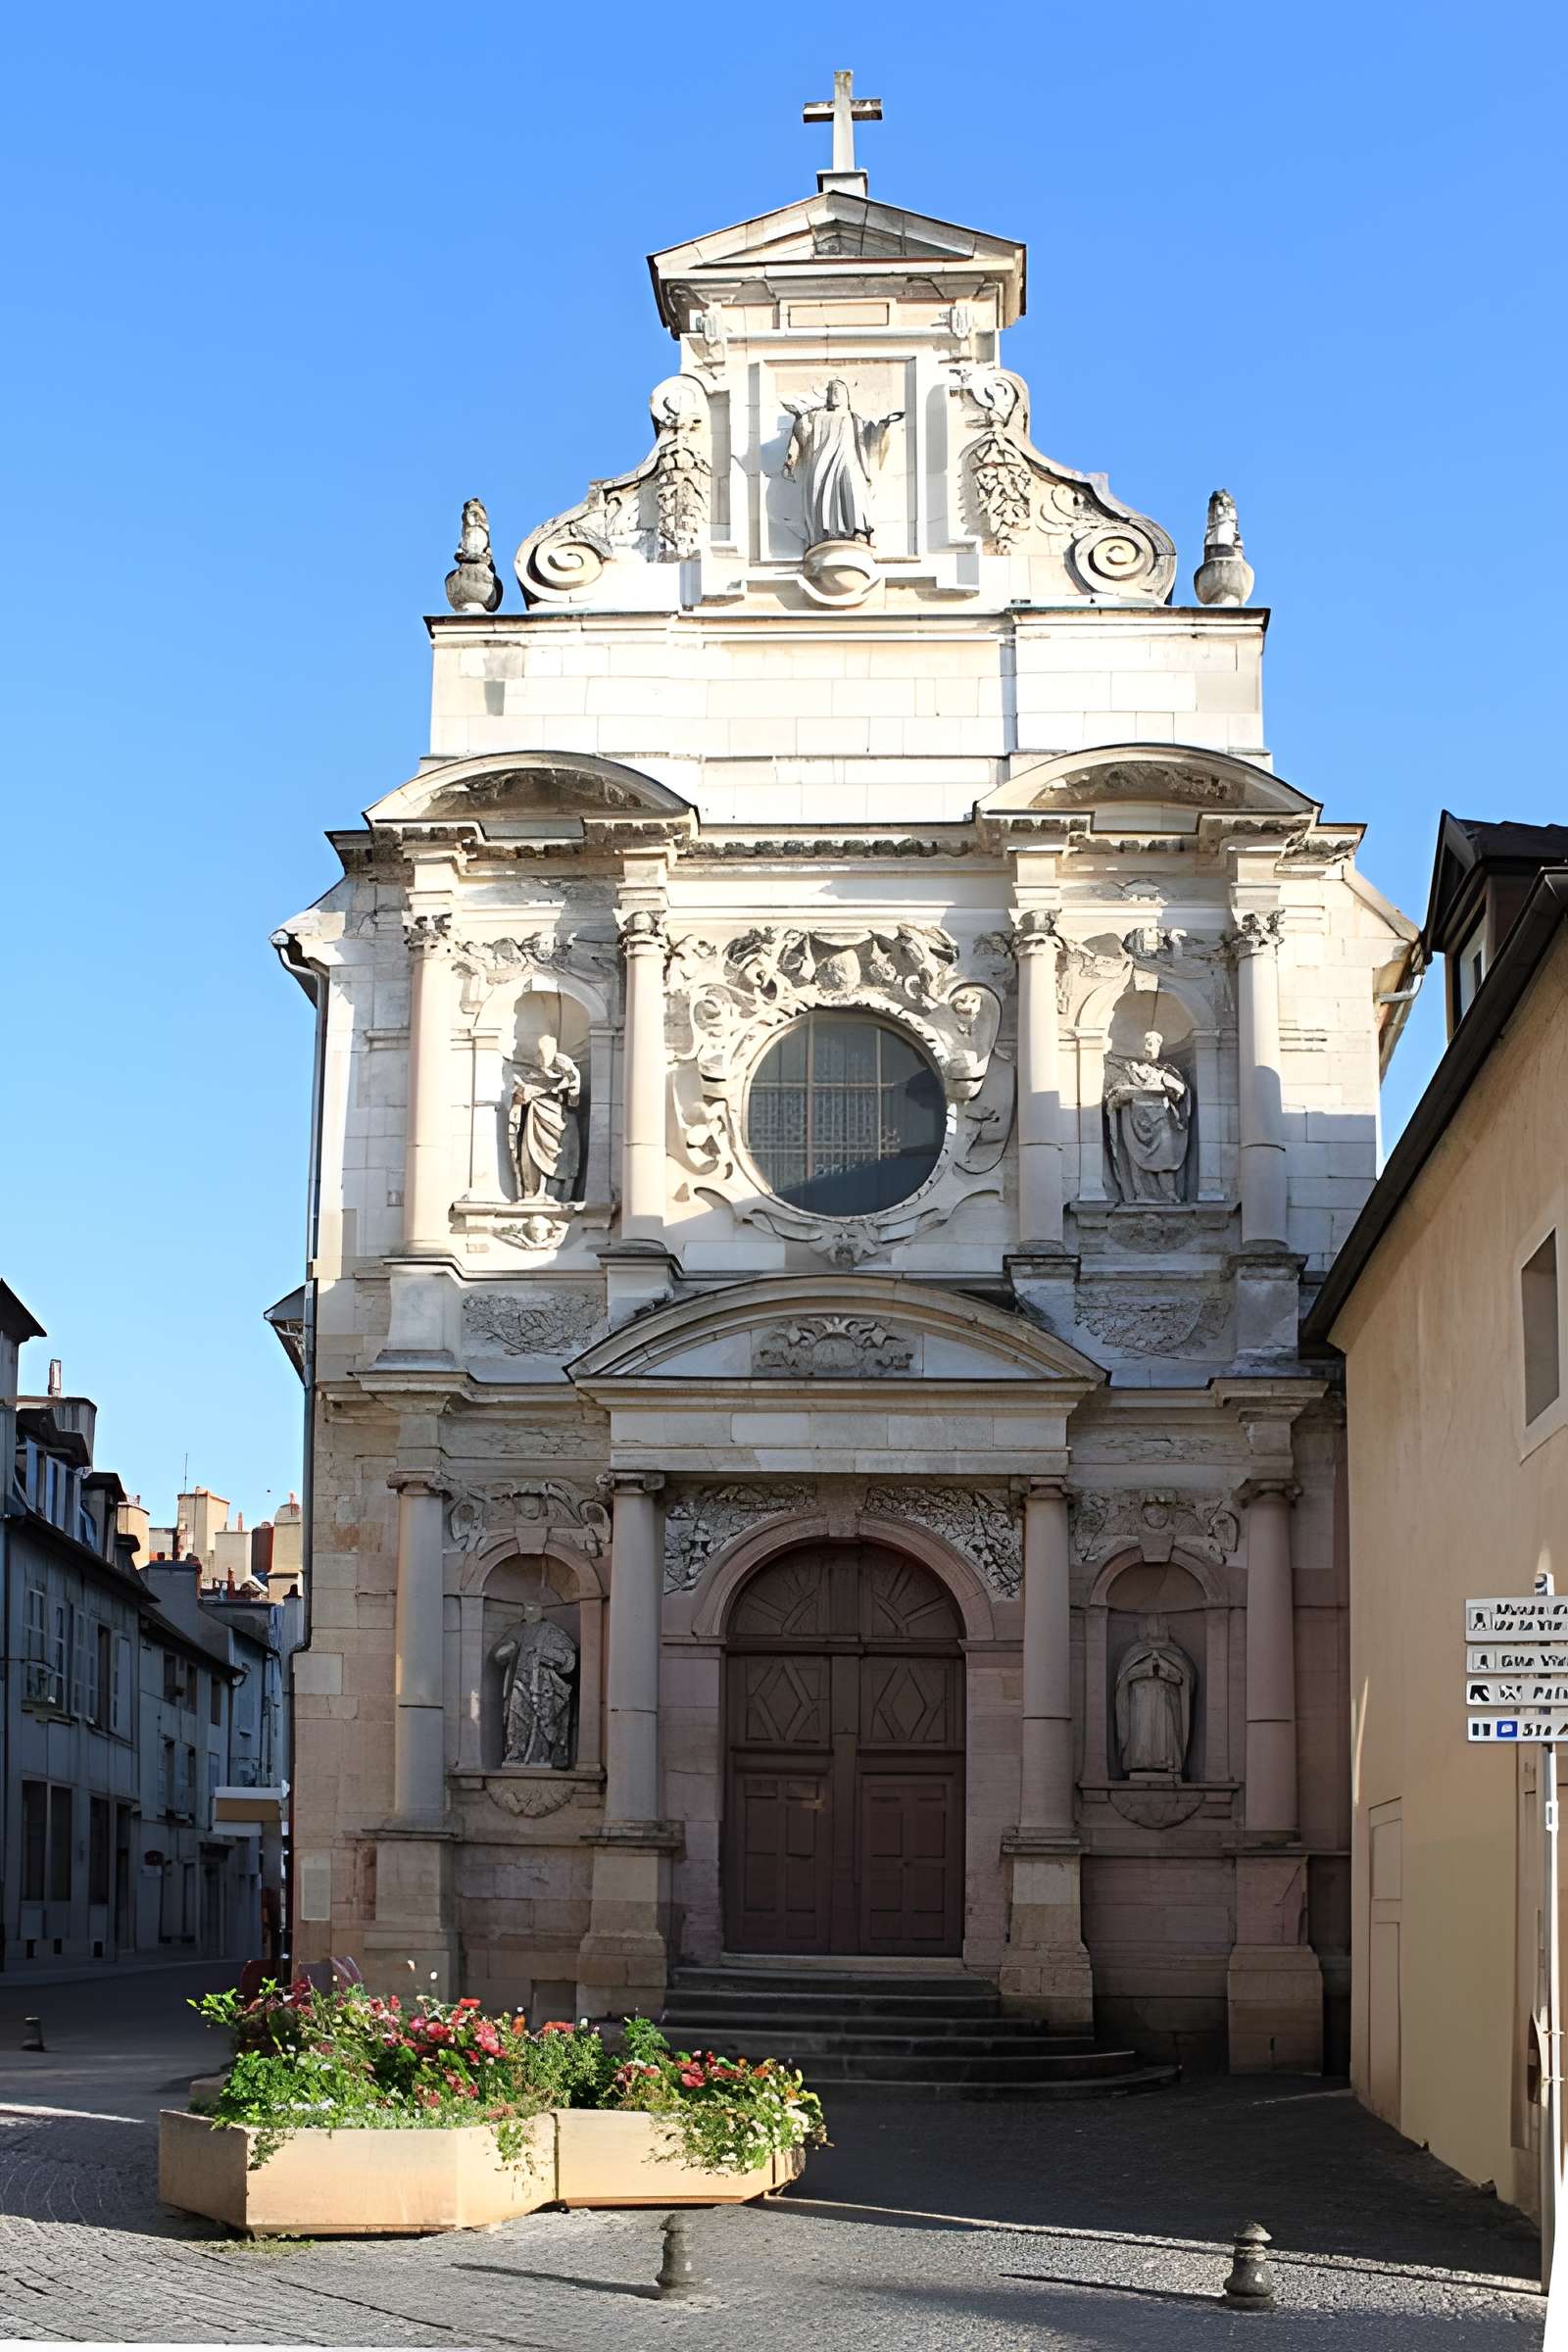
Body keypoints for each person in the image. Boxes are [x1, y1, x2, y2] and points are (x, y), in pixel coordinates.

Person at [784, 379, 903, 545]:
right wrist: (792, 457)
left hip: (849, 460)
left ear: (846, 396)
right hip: (822, 462)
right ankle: (829, 532)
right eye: (832, 390)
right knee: (825, 494)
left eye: (839, 390)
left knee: (855, 488)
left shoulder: (854, 419)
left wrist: (884, 426)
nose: (835, 393)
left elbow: (870, 440)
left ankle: (859, 529)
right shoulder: (817, 416)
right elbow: (802, 434)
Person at [1103, 1029, 1192, 1202]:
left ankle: (1168, 1193)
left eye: (1152, 1043)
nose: (1148, 1047)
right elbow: (1115, 1095)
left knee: (1165, 1159)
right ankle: (1142, 1194)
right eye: (1146, 1042)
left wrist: (1169, 1087)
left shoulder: (1164, 1073)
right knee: (1138, 1159)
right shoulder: (1128, 1073)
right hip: (1135, 1121)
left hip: (1161, 1120)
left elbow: (1179, 1091)